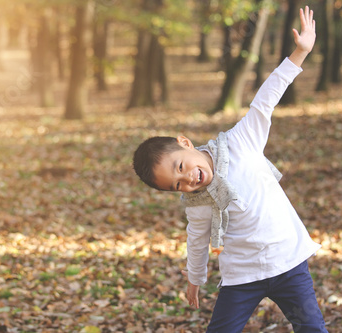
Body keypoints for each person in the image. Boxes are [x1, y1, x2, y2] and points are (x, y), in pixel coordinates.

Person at [132, 6, 328, 333]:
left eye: (182, 167)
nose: (188, 180)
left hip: (287, 261)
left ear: (185, 142)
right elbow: (196, 240)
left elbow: (265, 100)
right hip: (242, 275)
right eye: (177, 185)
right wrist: (195, 279)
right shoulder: (197, 203)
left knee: (312, 327)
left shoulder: (239, 142)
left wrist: (299, 53)